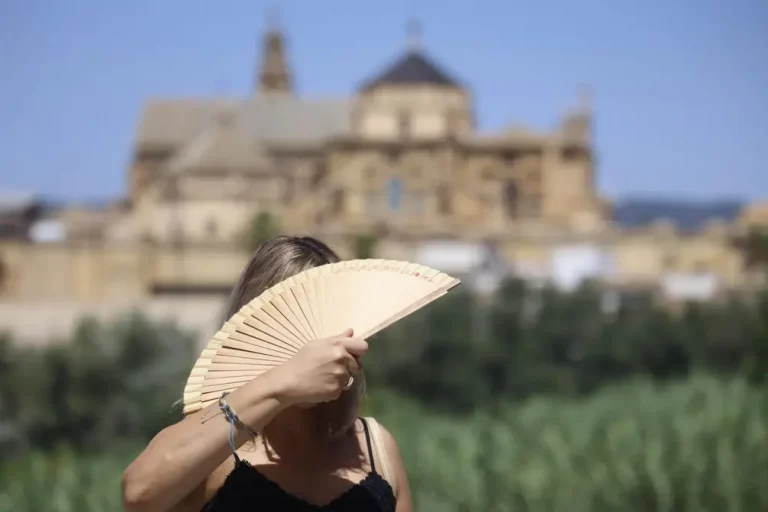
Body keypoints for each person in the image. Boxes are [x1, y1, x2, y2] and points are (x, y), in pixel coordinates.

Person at [121, 236, 412, 512]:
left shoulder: (377, 449)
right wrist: (285, 383)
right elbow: (138, 494)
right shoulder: (216, 448)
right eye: (296, 327)